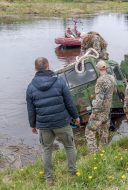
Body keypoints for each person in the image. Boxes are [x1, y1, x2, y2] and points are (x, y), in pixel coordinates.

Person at [26, 57, 80, 185]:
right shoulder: (60, 81)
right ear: (48, 66)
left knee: (46, 149)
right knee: (69, 146)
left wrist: (32, 125)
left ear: (35, 69)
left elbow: (31, 109)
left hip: (44, 125)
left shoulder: (30, 87)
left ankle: (49, 178)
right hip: (62, 122)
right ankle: (72, 173)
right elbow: (69, 103)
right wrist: (76, 116)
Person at [85, 60, 115, 153]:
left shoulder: (100, 81)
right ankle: (103, 150)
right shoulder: (111, 78)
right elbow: (114, 91)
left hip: (99, 112)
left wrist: (94, 112)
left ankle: (93, 154)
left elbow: (99, 99)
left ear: (98, 69)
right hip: (107, 110)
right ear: (105, 68)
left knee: (89, 131)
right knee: (104, 130)